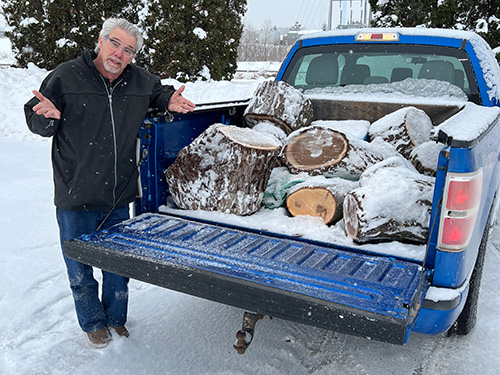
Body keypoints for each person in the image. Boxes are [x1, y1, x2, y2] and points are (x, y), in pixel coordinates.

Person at [24, 18, 195, 348]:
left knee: (118, 267)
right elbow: (37, 112)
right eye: (115, 44)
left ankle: (116, 319)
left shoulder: (139, 80)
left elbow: (158, 92)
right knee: (79, 270)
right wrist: (43, 118)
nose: (119, 53)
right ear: (100, 42)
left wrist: (168, 99)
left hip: (118, 195)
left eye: (128, 49)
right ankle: (93, 323)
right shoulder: (66, 75)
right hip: (75, 193)